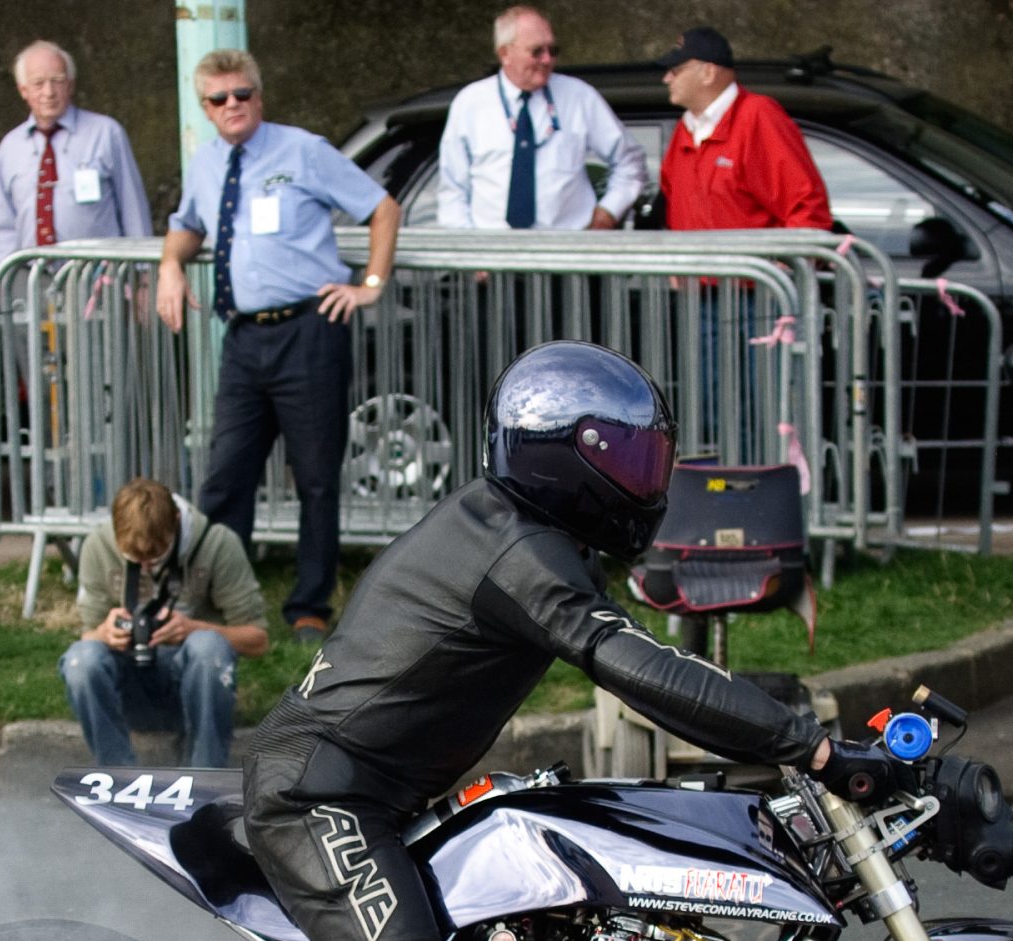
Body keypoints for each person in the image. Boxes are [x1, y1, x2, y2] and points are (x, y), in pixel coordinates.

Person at [139, 342, 830, 941]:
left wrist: (797, 728)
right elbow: (626, 663)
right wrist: (803, 743)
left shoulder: (519, 532)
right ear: (564, 456)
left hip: (386, 795)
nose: (645, 480)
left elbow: (654, 657)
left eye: (650, 459)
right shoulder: (514, 547)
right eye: (628, 459)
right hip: (325, 797)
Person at [158, 49, 401, 646]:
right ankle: (221, 598)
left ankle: (309, 607)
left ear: (259, 97)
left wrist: (369, 284)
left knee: (315, 476)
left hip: (309, 330)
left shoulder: (303, 150)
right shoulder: (207, 163)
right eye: (219, 99)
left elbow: (382, 208)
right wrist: (169, 264)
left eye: (243, 94)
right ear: (206, 108)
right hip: (244, 335)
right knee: (225, 476)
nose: (232, 106)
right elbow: (188, 224)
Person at [60, 475, 268, 768]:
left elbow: (258, 640)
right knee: (81, 661)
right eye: (134, 556)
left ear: (176, 521)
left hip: (196, 684)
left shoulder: (217, 543)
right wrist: (105, 633)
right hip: (128, 684)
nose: (146, 565)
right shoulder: (98, 545)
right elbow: (87, 640)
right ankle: (118, 781)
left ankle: (203, 783)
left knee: (207, 647)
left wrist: (193, 628)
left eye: (156, 555)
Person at [436, 7, 645, 230]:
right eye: (536, 51)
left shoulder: (579, 97)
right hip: (493, 254)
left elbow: (630, 162)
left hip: (566, 250)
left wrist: (607, 213)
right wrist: (471, 257)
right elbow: (453, 190)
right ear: (505, 53)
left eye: (552, 50)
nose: (547, 60)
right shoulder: (470, 103)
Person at [656, 28, 831, 232]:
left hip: (756, 262)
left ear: (708, 73)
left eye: (676, 70)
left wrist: (786, 263)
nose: (666, 78)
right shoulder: (685, 129)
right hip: (701, 263)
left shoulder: (757, 116)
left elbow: (806, 207)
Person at [0, 41, 153, 253]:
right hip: (32, 276)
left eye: (57, 81)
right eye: (38, 83)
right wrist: (9, 276)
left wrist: (142, 272)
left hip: (97, 277)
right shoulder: (10, 147)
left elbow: (133, 210)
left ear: (71, 84)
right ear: (23, 90)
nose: (49, 92)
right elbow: (4, 226)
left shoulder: (105, 133)